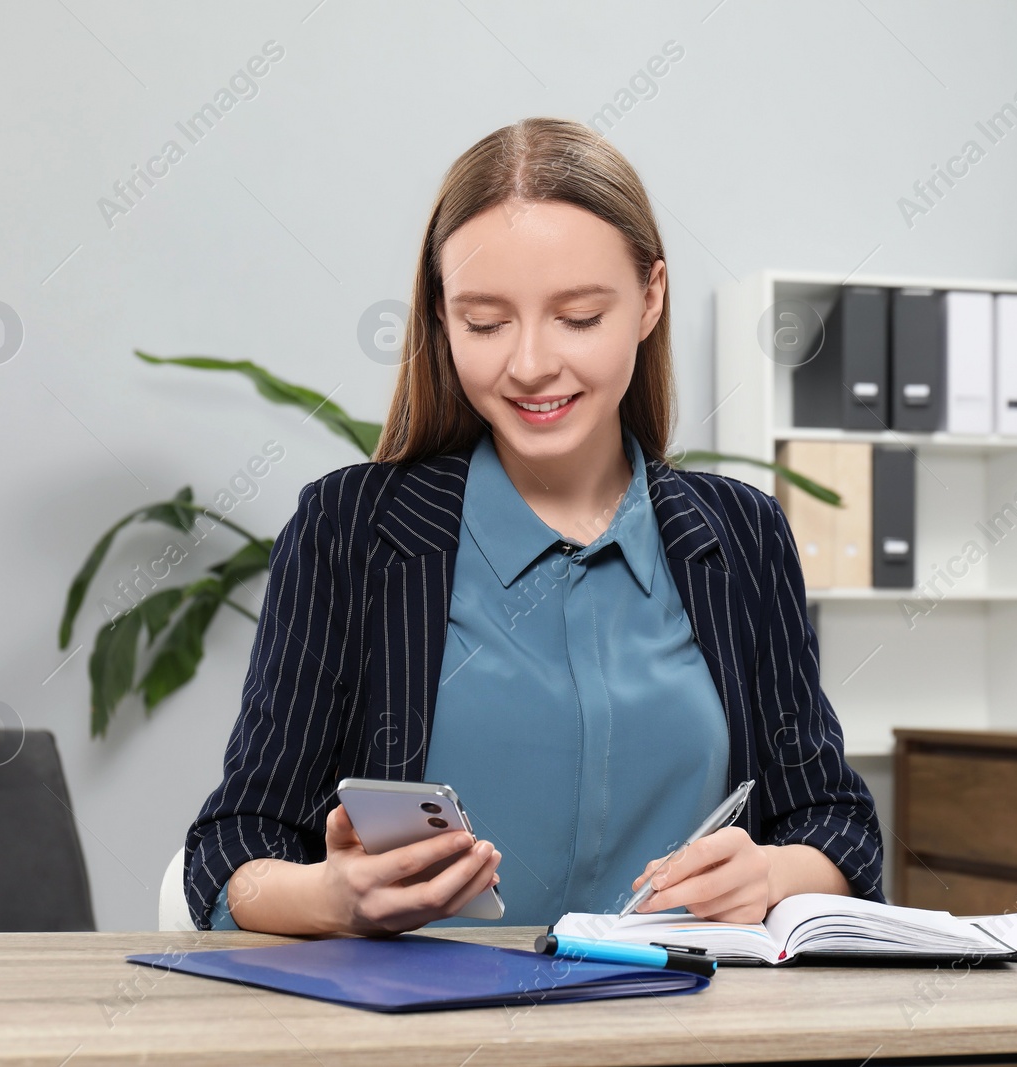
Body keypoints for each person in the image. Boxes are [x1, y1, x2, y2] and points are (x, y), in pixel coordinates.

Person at [183, 117, 883, 935]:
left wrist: (768, 874)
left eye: (578, 317)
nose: (528, 364)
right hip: (427, 1041)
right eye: (484, 323)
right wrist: (333, 899)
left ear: (650, 297)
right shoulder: (352, 529)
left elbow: (836, 822)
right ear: (442, 319)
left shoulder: (744, 536)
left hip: (684, 1025)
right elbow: (232, 844)